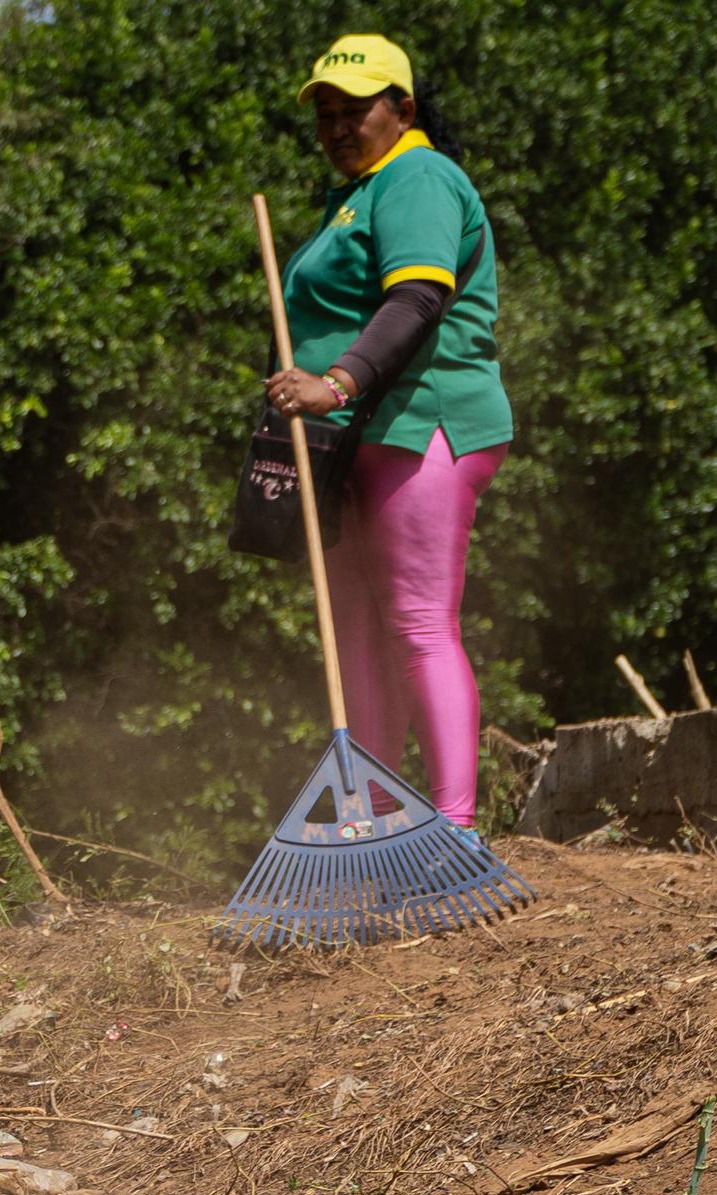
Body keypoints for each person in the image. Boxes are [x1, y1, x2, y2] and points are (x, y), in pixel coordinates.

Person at [263, 33, 513, 845]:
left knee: (416, 624)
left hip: (423, 424)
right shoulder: (361, 193)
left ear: (402, 108)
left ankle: (456, 830)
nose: (336, 127)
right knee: (357, 636)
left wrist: (333, 382)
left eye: (354, 110)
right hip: (353, 443)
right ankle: (373, 829)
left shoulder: (418, 176)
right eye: (325, 115)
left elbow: (416, 302)